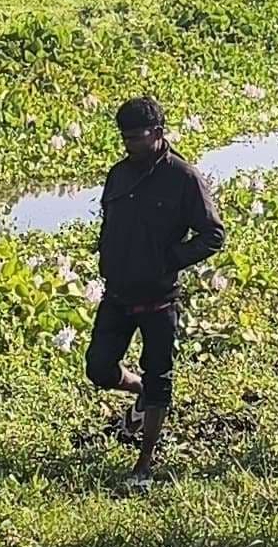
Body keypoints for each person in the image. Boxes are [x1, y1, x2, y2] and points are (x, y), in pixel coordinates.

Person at [83, 96, 226, 491]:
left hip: (159, 298)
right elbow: (110, 224)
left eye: (136, 137)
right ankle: (140, 391)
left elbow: (213, 234)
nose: (129, 145)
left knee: (160, 377)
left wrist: (167, 260)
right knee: (98, 368)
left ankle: (144, 463)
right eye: (124, 138)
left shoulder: (184, 178)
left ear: (158, 134)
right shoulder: (118, 174)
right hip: (118, 293)